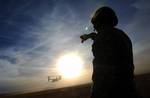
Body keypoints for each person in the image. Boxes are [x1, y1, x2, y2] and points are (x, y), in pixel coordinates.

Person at [80, 7, 137, 98]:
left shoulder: (104, 37)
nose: (94, 27)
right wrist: (90, 36)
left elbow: (103, 74)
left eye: (95, 24)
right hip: (128, 89)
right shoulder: (120, 34)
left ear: (101, 21)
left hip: (111, 92)